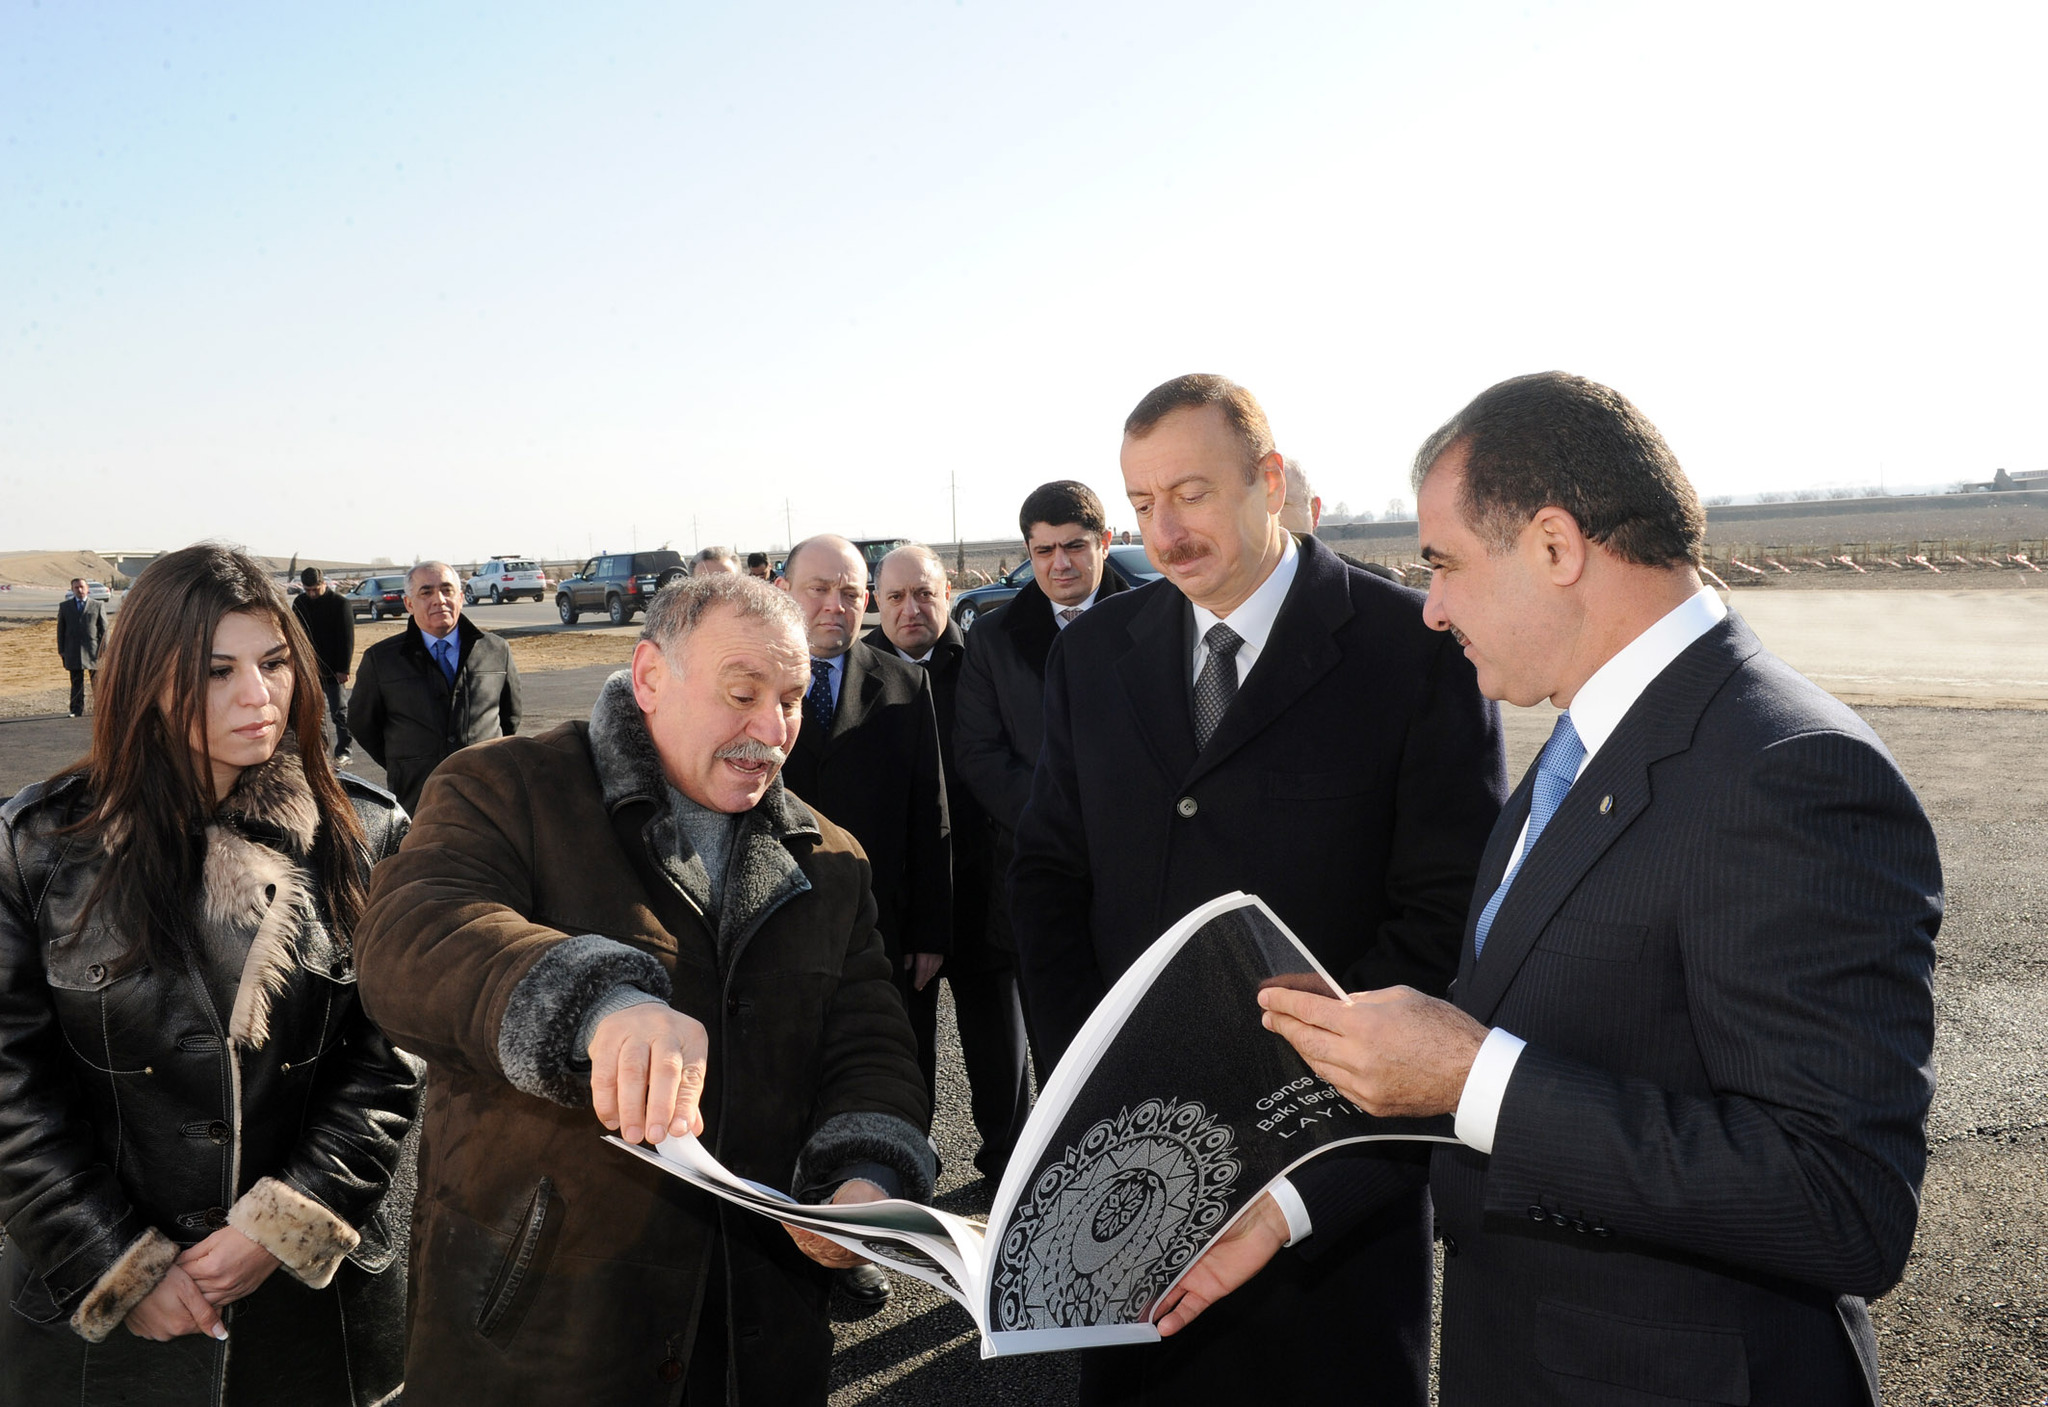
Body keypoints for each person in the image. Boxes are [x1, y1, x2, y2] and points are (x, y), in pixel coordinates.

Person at [1238, 372, 1941, 1405]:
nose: (1427, 609)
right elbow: (1513, 1042)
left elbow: (1841, 1202)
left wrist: (1477, 1076)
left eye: (1443, 566)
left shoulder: (1787, 769)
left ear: (1555, 547)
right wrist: (1285, 1212)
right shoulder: (1584, 742)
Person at [1009, 374, 1507, 1406]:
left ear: (1267, 480)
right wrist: (1086, 1094)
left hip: (1328, 1197)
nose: (1163, 530)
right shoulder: (1095, 655)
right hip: (1132, 1197)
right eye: (1141, 505)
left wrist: (1295, 1146)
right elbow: (1050, 879)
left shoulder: (1408, 652)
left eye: (1188, 493)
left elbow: (1439, 922)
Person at [352, 573, 933, 1405]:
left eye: (794, 700)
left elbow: (870, 1041)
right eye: (742, 693)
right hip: (545, 1332)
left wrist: (866, 1171)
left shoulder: (830, 860)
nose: (771, 730)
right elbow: (410, 935)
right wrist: (597, 1004)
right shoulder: (507, 787)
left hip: (756, 1334)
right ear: (652, 676)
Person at [0, 543, 419, 1406]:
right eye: (216, 670)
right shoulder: (38, 849)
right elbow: (12, 1086)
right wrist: (116, 1264)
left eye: (273, 663)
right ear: (149, 676)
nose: (257, 696)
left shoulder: (365, 834)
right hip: (100, 1324)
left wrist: (285, 1224)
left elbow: (393, 1055)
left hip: (309, 1309)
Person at [776, 535, 949, 1307]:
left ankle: (868, 1234)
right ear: (784, 591)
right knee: (783, 1080)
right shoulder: (756, 680)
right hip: (775, 926)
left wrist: (931, 931)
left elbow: (930, 817)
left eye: (850, 593)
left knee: (886, 1075)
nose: (836, 607)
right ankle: (788, 1229)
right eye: (819, 590)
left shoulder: (905, 684)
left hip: (883, 933)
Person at [953, 480, 1133, 1054]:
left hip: (1141, 866)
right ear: (1028, 553)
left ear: (1105, 541)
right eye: (1044, 551)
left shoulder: (1164, 618)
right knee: (1063, 1054)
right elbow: (979, 753)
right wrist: (1058, 819)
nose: (1060, 564)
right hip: (1039, 871)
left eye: (1075, 546)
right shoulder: (993, 638)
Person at [867, 544, 1029, 1181]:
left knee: (999, 1045)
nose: (911, 610)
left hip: (987, 895)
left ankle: (1011, 1166)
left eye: (924, 594)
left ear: (949, 591)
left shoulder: (987, 663)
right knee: (907, 1047)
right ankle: (911, 1163)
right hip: (904, 904)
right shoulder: (859, 676)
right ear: (877, 603)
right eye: (895, 597)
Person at [347, 560, 522, 814]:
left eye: (447, 590)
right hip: (418, 800)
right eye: (426, 592)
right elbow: (362, 724)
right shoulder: (381, 660)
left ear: (461, 598)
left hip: (488, 796)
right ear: (409, 604)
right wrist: (404, 764)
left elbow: (510, 718)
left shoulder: (496, 650)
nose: (439, 599)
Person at [1281, 458, 1401, 581]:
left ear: (1313, 511)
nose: (1268, 519)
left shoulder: (1375, 589)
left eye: (1282, 503)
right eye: (1259, 506)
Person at [292, 566, 357, 763]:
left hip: (334, 668)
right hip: (309, 668)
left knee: (339, 711)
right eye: (307, 590)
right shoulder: (300, 603)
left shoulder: (340, 604)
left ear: (324, 584)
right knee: (314, 711)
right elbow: (296, 634)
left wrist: (343, 668)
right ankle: (320, 749)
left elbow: (347, 638)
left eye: (315, 589)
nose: (311, 594)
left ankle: (345, 749)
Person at [56, 576, 108, 717]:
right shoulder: (65, 607)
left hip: (93, 650)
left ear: (87, 589)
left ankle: (100, 709)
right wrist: (61, 650)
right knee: (76, 683)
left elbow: (103, 630)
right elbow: (61, 630)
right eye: (76, 587)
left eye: (82, 587)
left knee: (97, 682)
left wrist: (105, 649)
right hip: (73, 650)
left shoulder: (97, 605)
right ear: (72, 589)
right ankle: (76, 710)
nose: (79, 590)